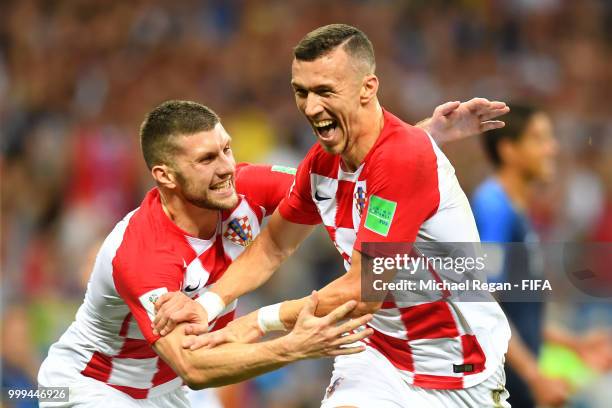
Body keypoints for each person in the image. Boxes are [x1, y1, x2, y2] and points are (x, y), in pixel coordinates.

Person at [37, 95, 504, 408]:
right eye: (206, 160)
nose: (226, 169)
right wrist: (292, 346)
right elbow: (195, 365)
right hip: (93, 385)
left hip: (167, 390)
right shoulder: (143, 253)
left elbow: (349, 183)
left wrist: (423, 137)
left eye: (225, 150)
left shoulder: (242, 188)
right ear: (164, 176)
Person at [154, 24, 511, 407]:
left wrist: (255, 324)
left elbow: (363, 289)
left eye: (325, 91)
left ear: (367, 88)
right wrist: (207, 304)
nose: (310, 107)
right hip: (376, 355)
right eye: (301, 91)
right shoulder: (323, 163)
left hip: (459, 368)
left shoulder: (403, 158)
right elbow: (274, 244)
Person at [472, 104, 612, 407]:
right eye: (539, 139)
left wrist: (574, 343)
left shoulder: (519, 214)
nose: (552, 148)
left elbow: (518, 310)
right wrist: (536, 377)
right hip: (493, 389)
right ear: (509, 149)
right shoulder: (493, 205)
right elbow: (483, 303)